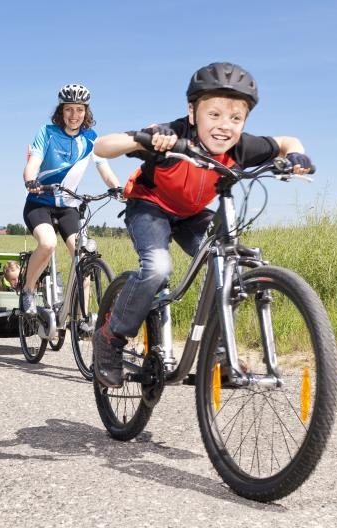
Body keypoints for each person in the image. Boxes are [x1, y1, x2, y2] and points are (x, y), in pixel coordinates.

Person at [90, 62, 315, 388]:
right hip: (149, 206)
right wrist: (145, 139)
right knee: (157, 268)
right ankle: (111, 337)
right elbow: (103, 146)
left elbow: (288, 141)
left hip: (192, 214)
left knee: (229, 266)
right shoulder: (172, 133)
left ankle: (221, 353)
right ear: (192, 113)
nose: (225, 126)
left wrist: (297, 157)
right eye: (214, 115)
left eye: (236, 118)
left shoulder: (239, 146)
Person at [20, 83, 121, 314]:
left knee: (83, 257)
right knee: (47, 244)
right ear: (61, 111)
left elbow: (104, 168)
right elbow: (32, 163)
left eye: (79, 109)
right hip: (40, 203)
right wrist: (30, 181)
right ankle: (27, 290)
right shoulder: (47, 133)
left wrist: (117, 188)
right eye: (69, 109)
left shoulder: (91, 138)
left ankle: (81, 316)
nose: (74, 115)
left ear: (86, 112)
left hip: (68, 207)